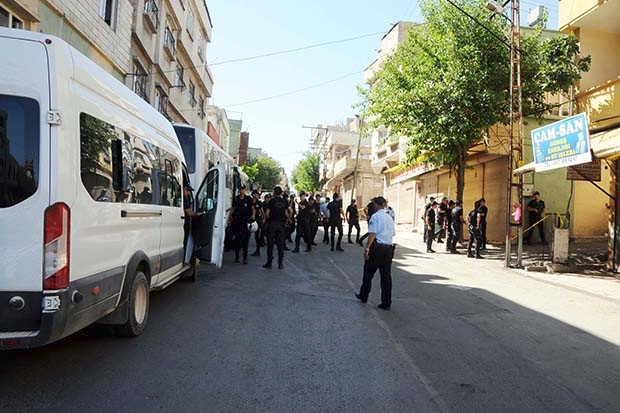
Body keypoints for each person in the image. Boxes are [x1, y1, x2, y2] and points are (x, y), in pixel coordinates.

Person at [355, 196, 396, 311]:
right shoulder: (389, 217)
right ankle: (386, 302)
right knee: (386, 277)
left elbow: (372, 234)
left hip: (377, 248)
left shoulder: (375, 217)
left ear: (377, 205)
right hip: (388, 249)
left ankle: (364, 296)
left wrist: (367, 249)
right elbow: (392, 234)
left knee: (368, 273)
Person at [263, 186, 290, 270]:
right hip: (281, 225)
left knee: (270, 244)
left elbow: (267, 213)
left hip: (272, 224)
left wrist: (268, 218)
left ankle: (269, 262)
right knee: (280, 244)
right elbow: (289, 212)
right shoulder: (285, 201)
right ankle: (280, 263)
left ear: (274, 193)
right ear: (281, 192)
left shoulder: (271, 201)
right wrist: (287, 220)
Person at [229, 184, 255, 264]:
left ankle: (245, 257)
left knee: (245, 241)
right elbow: (233, 208)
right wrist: (230, 217)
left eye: (243, 189)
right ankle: (237, 256)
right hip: (237, 221)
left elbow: (252, 208)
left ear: (245, 190)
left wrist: (253, 215)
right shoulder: (236, 198)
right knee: (237, 240)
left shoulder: (248, 199)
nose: (241, 191)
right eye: (240, 189)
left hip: (245, 221)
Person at [250, 190, 263, 257]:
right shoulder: (249, 201)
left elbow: (262, 211)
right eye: (257, 194)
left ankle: (257, 250)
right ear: (254, 195)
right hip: (249, 220)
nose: (258, 196)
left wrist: (263, 219)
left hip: (257, 221)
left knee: (257, 236)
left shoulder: (259, 202)